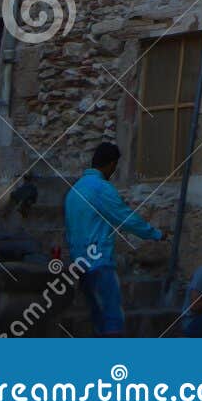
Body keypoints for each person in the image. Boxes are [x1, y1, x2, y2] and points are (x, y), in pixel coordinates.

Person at [64, 142, 167, 336]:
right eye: (114, 166)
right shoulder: (101, 188)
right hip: (99, 263)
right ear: (111, 164)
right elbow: (126, 218)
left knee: (97, 318)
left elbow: (69, 231)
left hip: (81, 265)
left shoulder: (74, 191)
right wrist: (156, 234)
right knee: (112, 319)